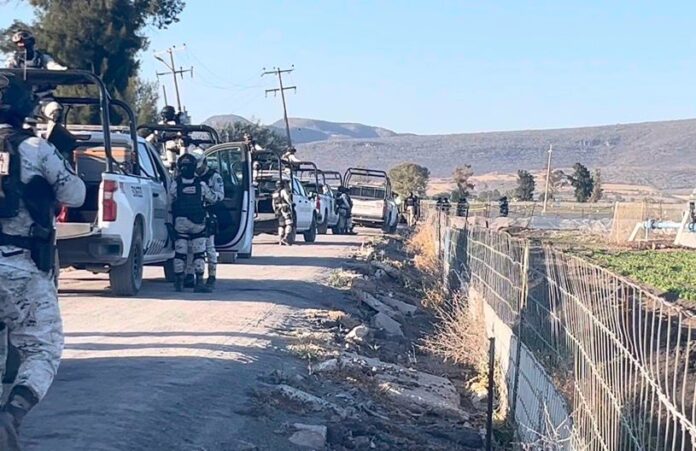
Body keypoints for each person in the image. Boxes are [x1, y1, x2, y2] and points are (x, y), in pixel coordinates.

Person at [0, 73, 85, 447]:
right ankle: (11, 416)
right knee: (42, 349)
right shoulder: (36, 149)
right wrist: (61, 155)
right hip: (22, 267)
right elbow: (75, 195)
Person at [169, 153, 216, 293]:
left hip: (180, 222)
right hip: (198, 223)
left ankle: (178, 282)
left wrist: (169, 222)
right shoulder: (200, 184)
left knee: (180, 253)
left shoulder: (175, 184)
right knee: (199, 253)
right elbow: (212, 198)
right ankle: (199, 283)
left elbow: (169, 202)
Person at [183, 152, 224, 289]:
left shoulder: (214, 177)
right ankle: (190, 275)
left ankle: (212, 275)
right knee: (190, 247)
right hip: (191, 215)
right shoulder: (190, 176)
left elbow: (220, 196)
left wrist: (206, 194)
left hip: (208, 214)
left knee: (209, 247)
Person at [272, 180, 294, 245]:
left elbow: (273, 203)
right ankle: (285, 237)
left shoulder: (274, 193)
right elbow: (287, 199)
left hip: (278, 210)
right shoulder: (284, 191)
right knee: (289, 223)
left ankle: (280, 239)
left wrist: (275, 210)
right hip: (285, 208)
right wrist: (291, 204)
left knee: (281, 225)